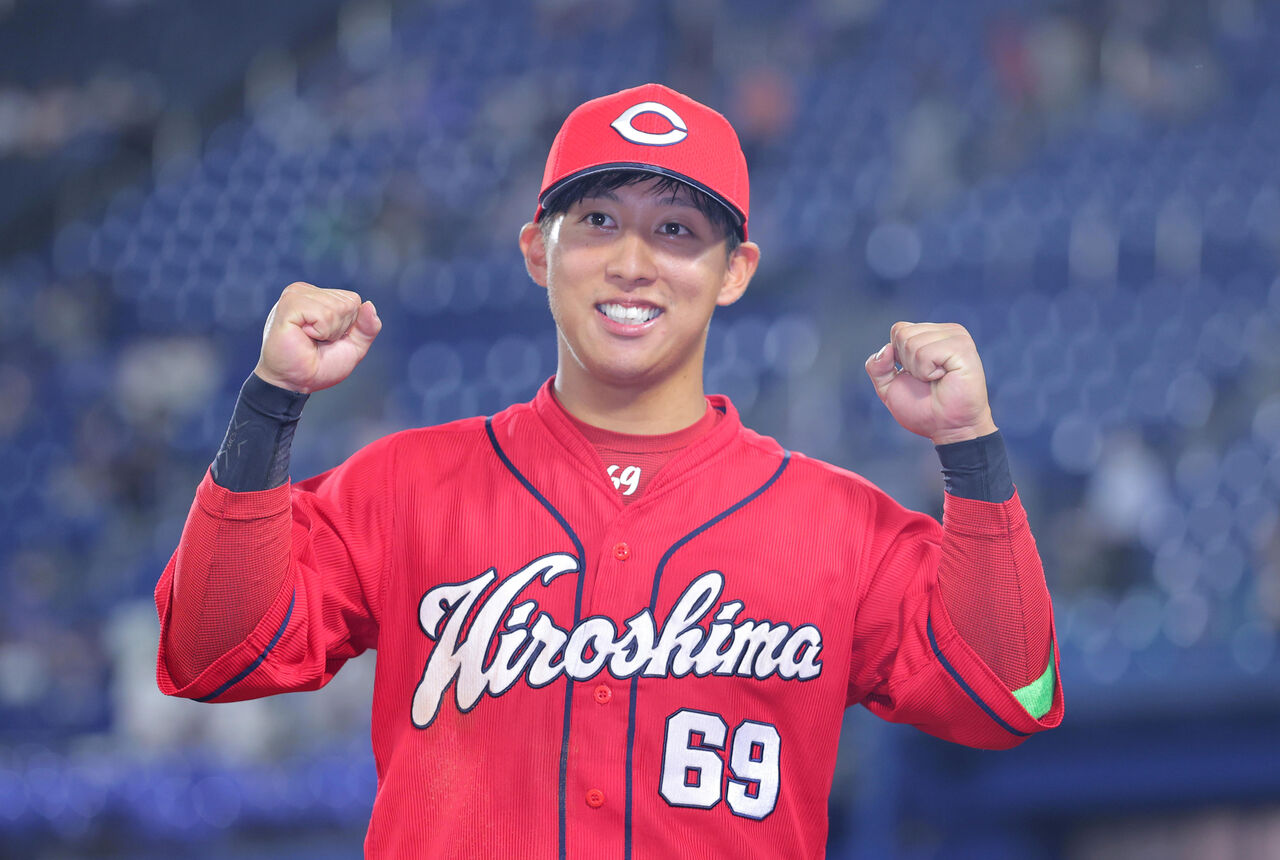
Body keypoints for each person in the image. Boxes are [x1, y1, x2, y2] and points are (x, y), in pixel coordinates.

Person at [155, 83, 1062, 858]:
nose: (632, 264)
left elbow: (1008, 695)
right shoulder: (403, 485)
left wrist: (970, 447)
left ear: (735, 272)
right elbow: (213, 652)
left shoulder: (838, 524)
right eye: (597, 222)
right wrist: (271, 401)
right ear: (535, 250)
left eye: (676, 230)